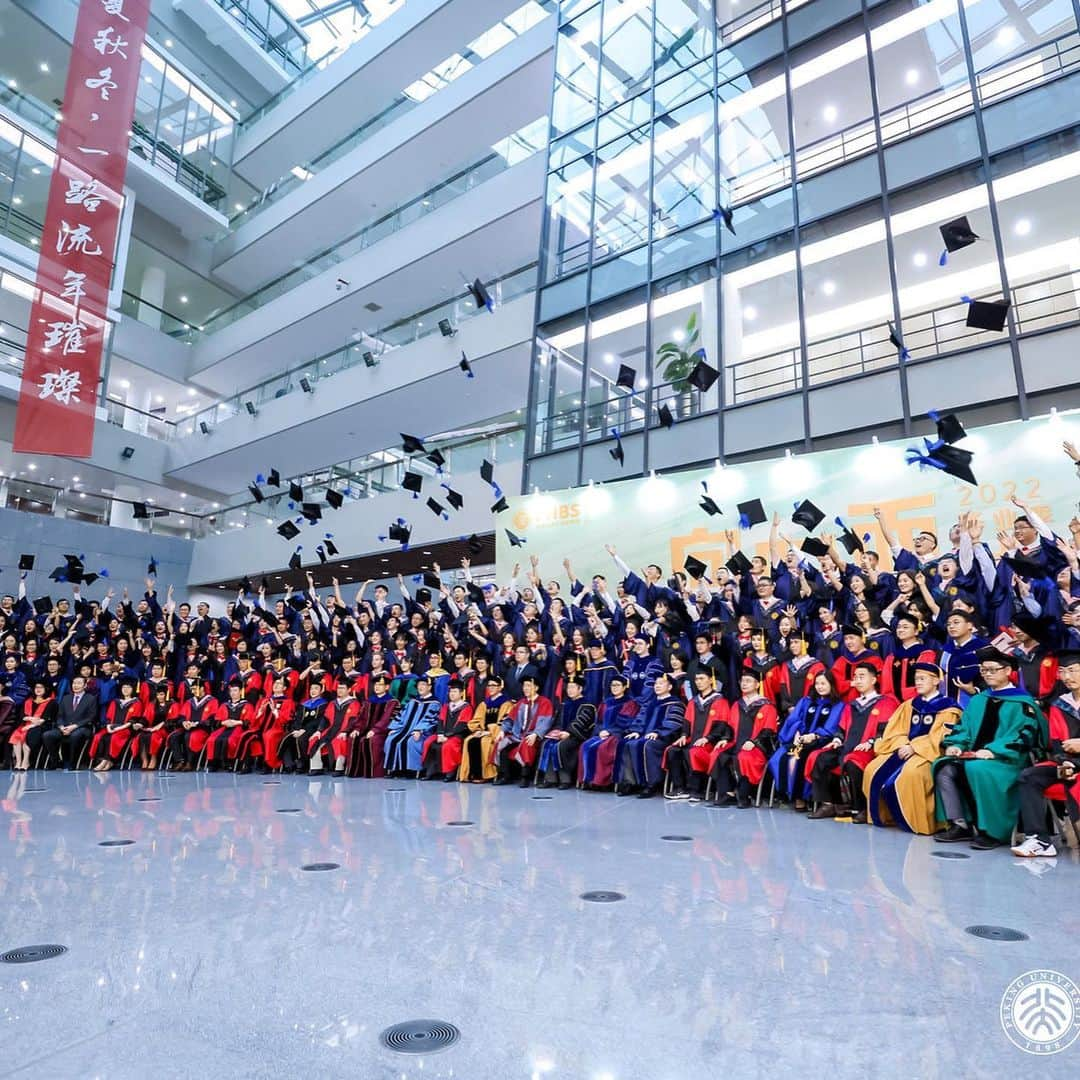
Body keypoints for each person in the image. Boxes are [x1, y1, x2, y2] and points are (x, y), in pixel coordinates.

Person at [933, 646, 1046, 849]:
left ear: (1007, 671)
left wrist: (992, 751)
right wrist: (956, 745)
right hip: (974, 756)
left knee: (976, 768)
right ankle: (960, 824)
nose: (987, 674)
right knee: (943, 767)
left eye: (992, 670)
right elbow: (963, 728)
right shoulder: (978, 700)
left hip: (1007, 760)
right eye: (984, 670)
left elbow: (1023, 735)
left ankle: (992, 831)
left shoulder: (1023, 703)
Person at [863, 663, 961, 834]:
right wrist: (902, 744)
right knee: (872, 769)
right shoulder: (909, 705)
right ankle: (885, 815)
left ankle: (917, 822)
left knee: (911, 774)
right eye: (916, 679)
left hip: (928, 753)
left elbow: (941, 737)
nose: (918, 683)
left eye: (922, 679)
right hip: (902, 748)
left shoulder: (948, 707)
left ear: (936, 681)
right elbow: (894, 731)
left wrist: (914, 747)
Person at [806, 662, 898, 822]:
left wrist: (870, 742)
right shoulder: (852, 705)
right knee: (820, 757)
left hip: (871, 750)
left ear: (874, 679)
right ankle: (830, 804)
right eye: (855, 677)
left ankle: (861, 807)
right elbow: (841, 730)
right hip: (847, 747)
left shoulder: (886, 703)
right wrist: (836, 740)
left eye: (862, 677)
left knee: (853, 763)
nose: (858, 680)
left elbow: (885, 730)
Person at [1011, 650, 1080, 857]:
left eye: (1074, 671)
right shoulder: (1061, 704)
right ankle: (1039, 839)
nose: (1067, 677)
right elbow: (1057, 741)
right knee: (1029, 776)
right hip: (1066, 765)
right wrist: (1065, 762)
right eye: (1063, 672)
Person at [768, 672, 844, 809]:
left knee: (800, 759)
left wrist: (814, 736)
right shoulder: (806, 701)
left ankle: (802, 796)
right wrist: (796, 732)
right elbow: (793, 719)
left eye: (823, 683)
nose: (819, 687)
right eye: (817, 684)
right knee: (778, 758)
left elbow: (832, 726)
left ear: (831, 685)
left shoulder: (838, 705)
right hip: (800, 739)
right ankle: (786, 793)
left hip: (821, 742)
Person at [708, 670, 778, 807]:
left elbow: (768, 730)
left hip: (758, 746)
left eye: (748, 681)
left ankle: (744, 795)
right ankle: (727, 793)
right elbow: (729, 726)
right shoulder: (737, 704)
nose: (744, 684)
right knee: (718, 753)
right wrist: (725, 739)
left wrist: (754, 742)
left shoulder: (767, 706)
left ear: (757, 684)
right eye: (742, 681)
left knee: (745, 757)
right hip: (736, 742)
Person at [618, 672, 685, 798]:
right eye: (655, 683)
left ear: (670, 687)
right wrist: (636, 731)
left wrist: (658, 732)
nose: (657, 686)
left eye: (661, 683)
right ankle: (631, 782)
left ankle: (650, 784)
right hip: (646, 736)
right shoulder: (650, 703)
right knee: (626, 743)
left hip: (665, 738)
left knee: (647, 745)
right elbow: (640, 719)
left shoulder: (675, 704)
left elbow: (674, 723)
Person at [665, 669, 727, 800]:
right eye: (697, 679)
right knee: (673, 750)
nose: (698, 682)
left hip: (710, 743)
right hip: (692, 739)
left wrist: (707, 738)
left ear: (711, 680)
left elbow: (721, 725)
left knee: (695, 752)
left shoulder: (720, 701)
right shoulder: (693, 701)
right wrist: (683, 735)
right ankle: (680, 788)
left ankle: (697, 789)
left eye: (702, 679)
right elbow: (687, 721)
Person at [578, 673, 639, 789]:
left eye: (617, 685)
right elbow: (599, 722)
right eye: (612, 685)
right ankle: (589, 780)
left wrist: (610, 732)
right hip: (602, 734)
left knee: (603, 748)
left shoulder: (629, 703)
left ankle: (603, 783)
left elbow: (625, 723)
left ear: (625, 687)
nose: (614, 688)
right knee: (585, 746)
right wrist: (600, 731)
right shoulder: (606, 702)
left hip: (617, 734)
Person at [493, 673, 553, 787]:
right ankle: (504, 775)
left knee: (527, 744)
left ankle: (524, 777)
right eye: (524, 686)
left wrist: (536, 733)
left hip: (534, 736)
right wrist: (502, 730)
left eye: (529, 686)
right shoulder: (521, 703)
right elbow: (510, 719)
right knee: (501, 742)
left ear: (536, 688)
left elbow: (545, 722)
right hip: (517, 735)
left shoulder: (545, 702)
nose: (525, 688)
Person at [536, 675, 596, 789]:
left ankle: (565, 780)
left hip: (577, 736)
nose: (570, 690)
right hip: (562, 734)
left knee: (560, 746)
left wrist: (569, 732)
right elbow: (557, 722)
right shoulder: (565, 704)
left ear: (580, 689)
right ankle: (550, 779)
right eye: (568, 688)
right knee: (547, 744)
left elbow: (582, 722)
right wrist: (555, 732)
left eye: (573, 688)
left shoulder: (587, 705)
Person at [420, 678, 472, 781]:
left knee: (448, 746)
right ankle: (430, 771)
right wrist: (440, 734)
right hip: (442, 734)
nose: (452, 694)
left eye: (455, 691)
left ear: (461, 693)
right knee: (428, 742)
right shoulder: (446, 706)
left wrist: (447, 736)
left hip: (457, 735)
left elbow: (462, 725)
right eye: (450, 691)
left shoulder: (466, 707)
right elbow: (440, 721)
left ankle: (450, 772)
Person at [41, 675, 98, 770]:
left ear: (85, 686)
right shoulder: (66, 698)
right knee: (47, 735)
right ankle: (56, 761)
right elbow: (59, 715)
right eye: (74, 683)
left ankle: (73, 763)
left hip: (83, 727)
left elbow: (91, 717)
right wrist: (61, 726)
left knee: (75, 735)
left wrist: (75, 726)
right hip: (65, 727)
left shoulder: (91, 699)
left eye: (79, 683)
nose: (76, 685)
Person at [89, 676, 140, 771]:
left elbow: (133, 720)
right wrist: (109, 727)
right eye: (124, 687)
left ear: (133, 689)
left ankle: (105, 761)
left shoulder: (136, 702)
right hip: (112, 727)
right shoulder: (115, 702)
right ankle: (106, 761)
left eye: (128, 688)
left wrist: (119, 728)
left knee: (113, 737)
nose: (125, 690)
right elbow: (108, 717)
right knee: (99, 736)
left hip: (126, 729)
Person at [8, 680, 56, 771]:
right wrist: (30, 719)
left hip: (43, 726)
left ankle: (26, 761)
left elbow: (44, 719)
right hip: (27, 724)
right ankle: (18, 762)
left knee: (28, 733)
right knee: (17, 734)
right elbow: (22, 716)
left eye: (41, 687)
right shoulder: (28, 701)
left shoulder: (51, 702)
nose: (38, 689)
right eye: (36, 687)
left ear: (46, 689)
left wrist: (31, 725)